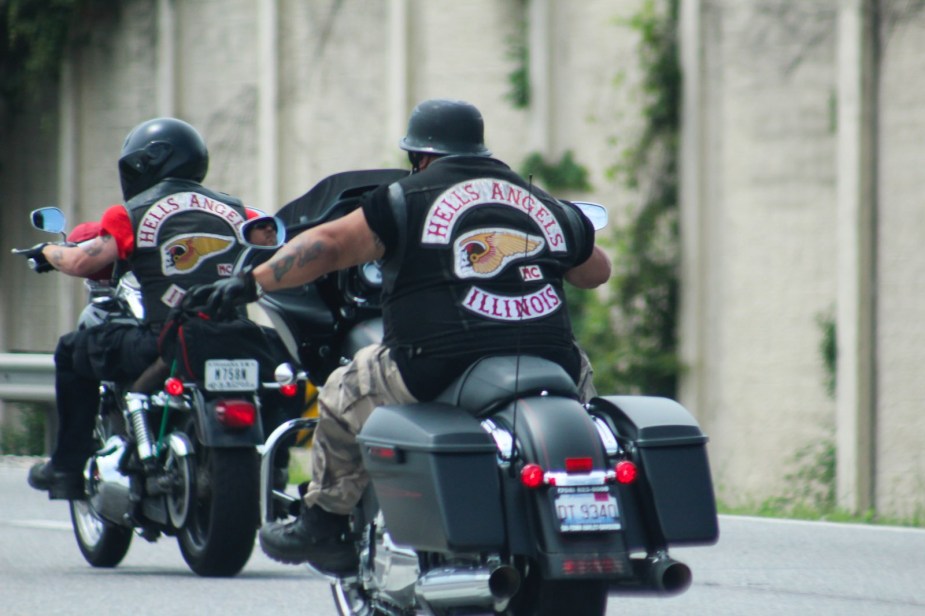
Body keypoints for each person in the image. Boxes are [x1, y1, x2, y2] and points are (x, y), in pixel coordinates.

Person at [202, 98, 612, 574]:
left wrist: (251, 282)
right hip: (551, 358)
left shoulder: (405, 197)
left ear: (420, 156)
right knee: (586, 398)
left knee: (340, 391)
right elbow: (596, 273)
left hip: (439, 357)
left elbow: (330, 245)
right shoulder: (539, 201)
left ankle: (324, 522)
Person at [27, 117, 254, 499]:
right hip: (233, 338)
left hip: (164, 340)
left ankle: (67, 467)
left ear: (143, 165)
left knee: (71, 350)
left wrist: (48, 251)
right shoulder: (236, 210)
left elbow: (83, 262)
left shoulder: (129, 213)